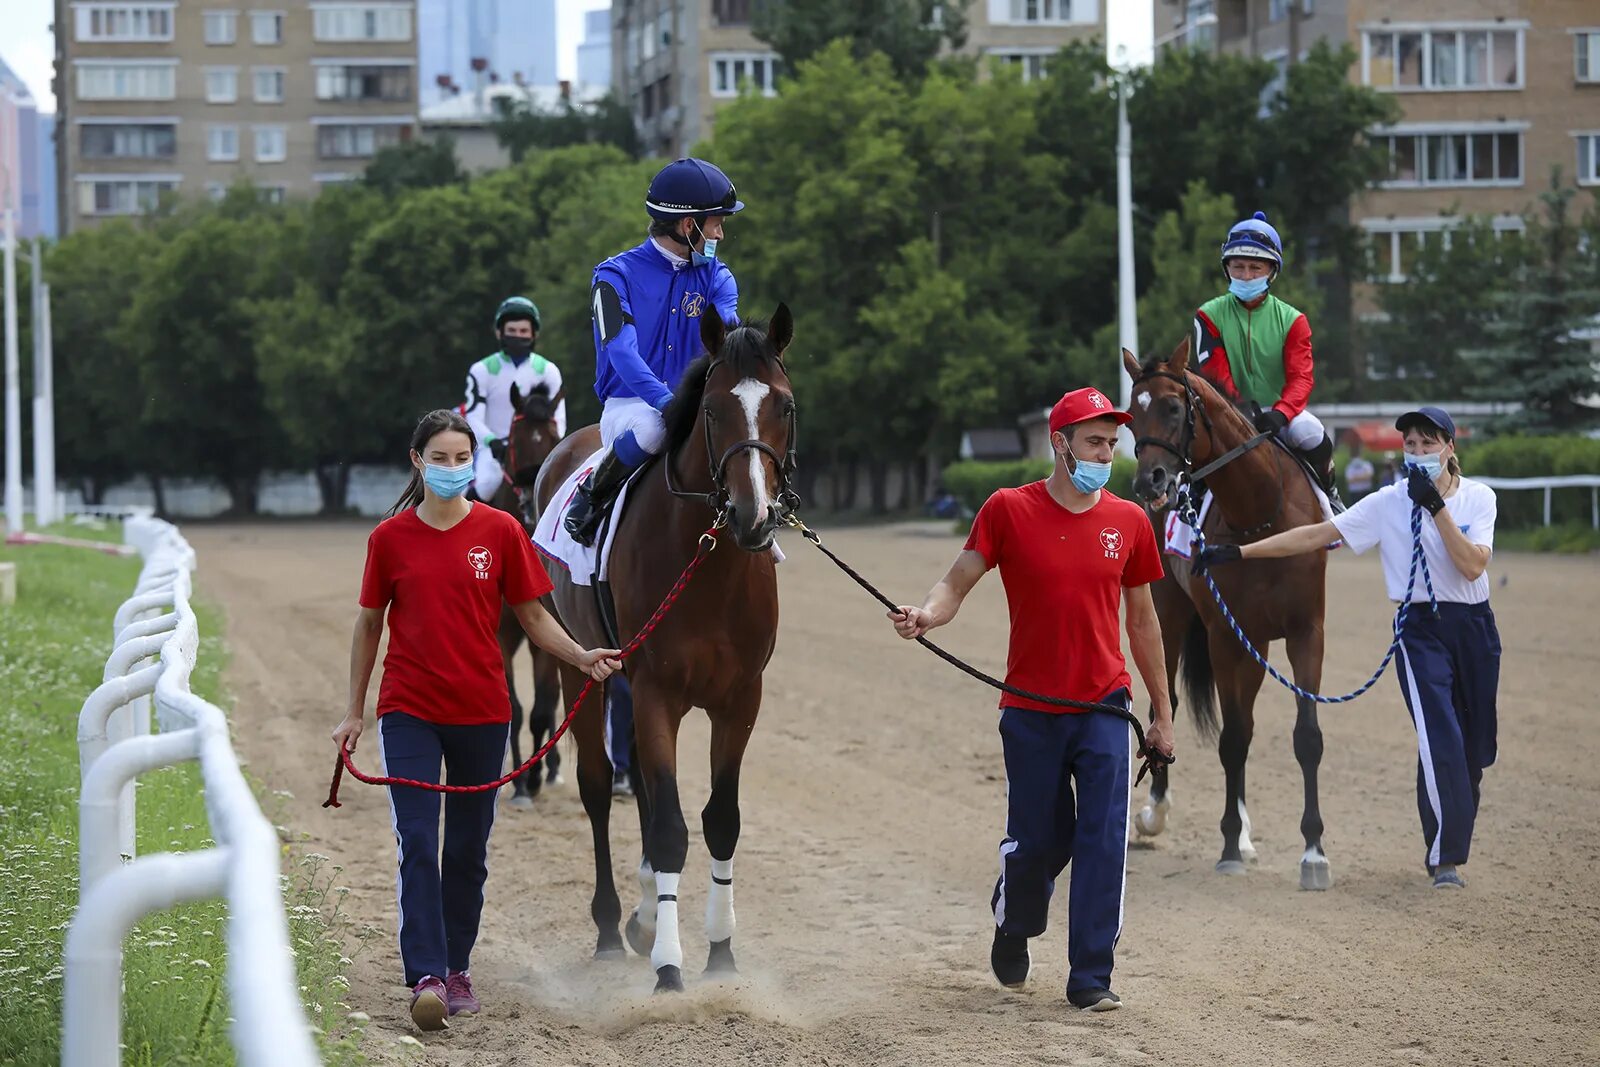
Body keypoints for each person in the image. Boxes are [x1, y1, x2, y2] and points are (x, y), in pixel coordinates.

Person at [331, 409, 621, 1031]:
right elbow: (369, 624)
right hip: (408, 710)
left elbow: (536, 616)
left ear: (473, 463)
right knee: (417, 842)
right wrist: (355, 712)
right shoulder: (389, 539)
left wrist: (581, 655)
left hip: (483, 713)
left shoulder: (502, 532)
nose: (452, 469)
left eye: (461, 459)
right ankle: (427, 976)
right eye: (439, 458)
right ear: (418, 461)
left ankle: (457, 966)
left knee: (467, 850)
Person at [890, 387, 1176, 1012]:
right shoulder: (1007, 510)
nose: (1108, 452)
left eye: (1112, 442)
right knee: (1037, 844)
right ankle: (1014, 919)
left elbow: (1145, 622)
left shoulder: (1128, 521)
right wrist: (927, 614)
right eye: (1096, 441)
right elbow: (958, 579)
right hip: (1029, 710)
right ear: (1060, 443)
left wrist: (1162, 711)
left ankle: (1091, 976)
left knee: (1103, 838)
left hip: (1105, 705)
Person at [1196, 407, 1499, 890]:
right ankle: (1446, 860)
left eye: (1428, 443)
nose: (1418, 453)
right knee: (1438, 732)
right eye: (1411, 445)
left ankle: (1442, 832)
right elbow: (1317, 533)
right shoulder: (1387, 502)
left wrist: (1436, 510)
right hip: (1419, 628)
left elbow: (1471, 567)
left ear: (1449, 448)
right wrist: (1239, 552)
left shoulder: (1479, 499)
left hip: (1475, 627)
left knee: (1472, 749)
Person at [563, 157, 743, 545]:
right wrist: (667, 402)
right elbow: (622, 354)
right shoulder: (613, 276)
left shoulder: (719, 277)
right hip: (630, 407)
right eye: (717, 223)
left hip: (694, 405)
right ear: (687, 224)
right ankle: (592, 494)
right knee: (653, 428)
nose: (721, 235)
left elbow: (726, 342)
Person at [1193, 211, 1340, 501]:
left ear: (1272, 271)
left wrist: (1280, 414)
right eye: (1238, 267)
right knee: (1189, 442)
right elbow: (1215, 373)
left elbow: (1301, 379)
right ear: (1226, 268)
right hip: (1228, 411)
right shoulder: (1208, 315)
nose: (1246, 275)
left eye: (1255, 268)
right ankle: (1185, 518)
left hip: (1280, 414)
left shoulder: (1293, 320)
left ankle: (1330, 494)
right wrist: (1240, 412)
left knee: (1310, 433)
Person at [464, 296, 566, 501]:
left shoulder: (548, 370)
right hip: (495, 448)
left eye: (523, 332)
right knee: (487, 483)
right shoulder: (482, 369)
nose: (517, 336)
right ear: (499, 333)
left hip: (536, 448)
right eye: (511, 331)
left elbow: (559, 421)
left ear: (533, 334)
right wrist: (492, 442)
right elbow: (473, 417)